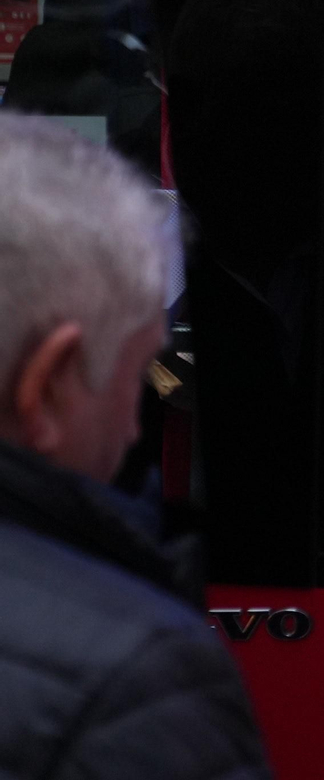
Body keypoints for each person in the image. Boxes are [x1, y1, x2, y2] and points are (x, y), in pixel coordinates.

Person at [0, 112, 271, 780]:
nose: (128, 429)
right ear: (52, 384)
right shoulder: (144, 687)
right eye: (128, 371)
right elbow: (179, 386)